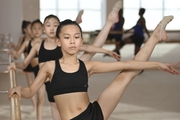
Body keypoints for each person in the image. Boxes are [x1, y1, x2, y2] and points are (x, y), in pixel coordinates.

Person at [8, 16, 180, 120]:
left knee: (126, 74)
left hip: (94, 113)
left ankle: (155, 36)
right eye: (67, 37)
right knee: (126, 73)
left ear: (82, 41)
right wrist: (18, 89)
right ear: (59, 41)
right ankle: (156, 37)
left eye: (77, 37)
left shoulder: (88, 66)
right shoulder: (49, 67)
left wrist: (158, 64)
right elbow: (30, 91)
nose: (73, 40)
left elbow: (127, 64)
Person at [7, 1, 122, 119]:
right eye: (48, 25)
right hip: (52, 83)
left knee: (87, 53)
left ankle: (108, 22)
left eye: (55, 25)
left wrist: (107, 51)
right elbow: (25, 63)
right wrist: (14, 64)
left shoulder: (63, 44)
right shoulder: (38, 46)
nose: (52, 28)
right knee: (48, 105)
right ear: (44, 28)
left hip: (66, 77)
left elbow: (88, 47)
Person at [9, 19, 44, 116]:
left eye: (39, 28)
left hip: (42, 71)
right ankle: (35, 108)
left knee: (41, 98)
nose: (37, 31)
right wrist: (13, 54)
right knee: (30, 88)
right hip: (28, 65)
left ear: (43, 30)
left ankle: (38, 115)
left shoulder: (45, 43)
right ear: (30, 30)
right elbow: (17, 55)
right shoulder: (26, 42)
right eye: (34, 28)